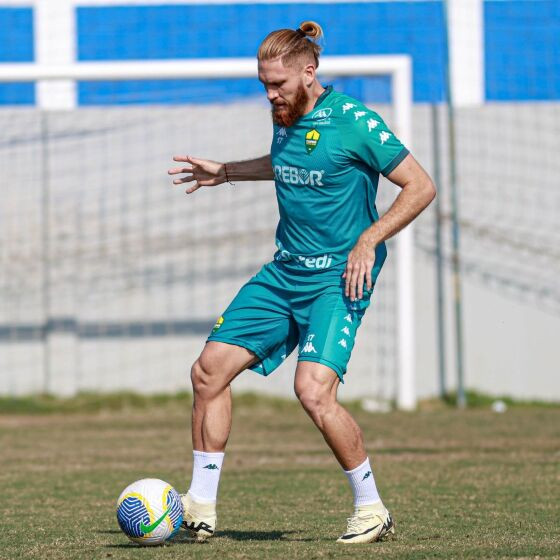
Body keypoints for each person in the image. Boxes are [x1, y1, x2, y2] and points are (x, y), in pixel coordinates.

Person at [168, 21, 435, 545]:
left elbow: (420, 187)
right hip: (284, 272)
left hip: (339, 276)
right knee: (207, 373)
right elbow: (289, 163)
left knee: (312, 391)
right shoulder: (285, 116)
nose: (270, 94)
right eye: (264, 84)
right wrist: (225, 172)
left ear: (309, 73)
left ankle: (372, 508)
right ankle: (199, 507)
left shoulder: (355, 121)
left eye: (278, 84)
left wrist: (367, 240)